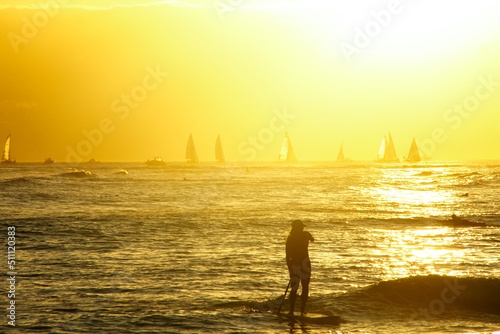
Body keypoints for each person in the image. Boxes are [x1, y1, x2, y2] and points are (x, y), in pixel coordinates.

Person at [285, 219, 314, 316]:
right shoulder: (290, 239)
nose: (302, 228)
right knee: (295, 287)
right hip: (295, 265)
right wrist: (290, 267)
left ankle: (302, 310)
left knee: (305, 287)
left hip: (305, 264)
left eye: (302, 227)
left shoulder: (305, 235)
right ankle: (292, 310)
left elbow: (312, 239)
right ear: (296, 228)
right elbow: (287, 255)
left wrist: (307, 236)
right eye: (301, 227)